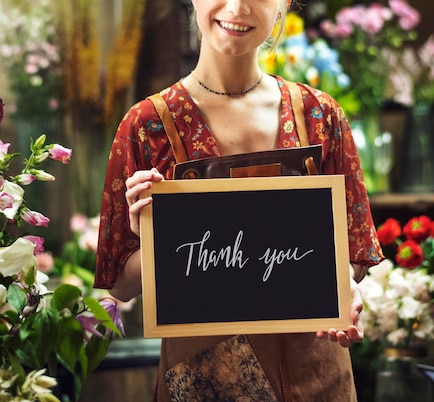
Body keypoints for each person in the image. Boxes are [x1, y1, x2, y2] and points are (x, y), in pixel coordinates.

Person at [94, 0, 384, 400]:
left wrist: (344, 288)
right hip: (205, 377)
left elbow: (352, 252)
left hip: (317, 374)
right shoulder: (146, 126)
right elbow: (122, 286)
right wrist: (153, 234)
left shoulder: (321, 115)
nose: (237, 7)